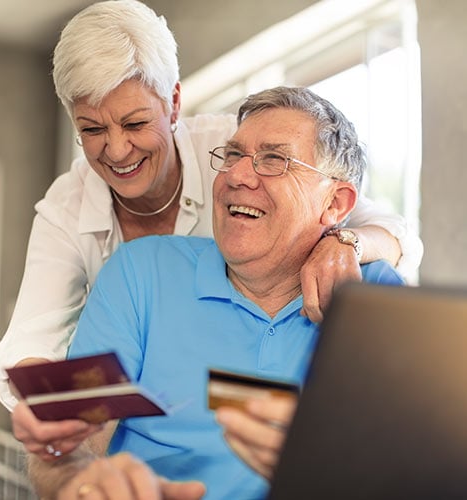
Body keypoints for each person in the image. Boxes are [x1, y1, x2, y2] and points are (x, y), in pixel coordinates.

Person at [0, 0, 420, 450]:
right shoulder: (74, 214)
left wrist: (346, 243)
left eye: (136, 122)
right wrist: (58, 421)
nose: (117, 150)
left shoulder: (233, 146)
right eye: (92, 129)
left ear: (174, 102)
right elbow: (30, 344)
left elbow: (388, 228)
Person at [25, 86, 404, 500]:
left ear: (334, 203)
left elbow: (422, 466)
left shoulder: (378, 298)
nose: (237, 176)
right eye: (233, 155)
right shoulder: (139, 271)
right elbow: (64, 436)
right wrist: (78, 482)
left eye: (274, 160)